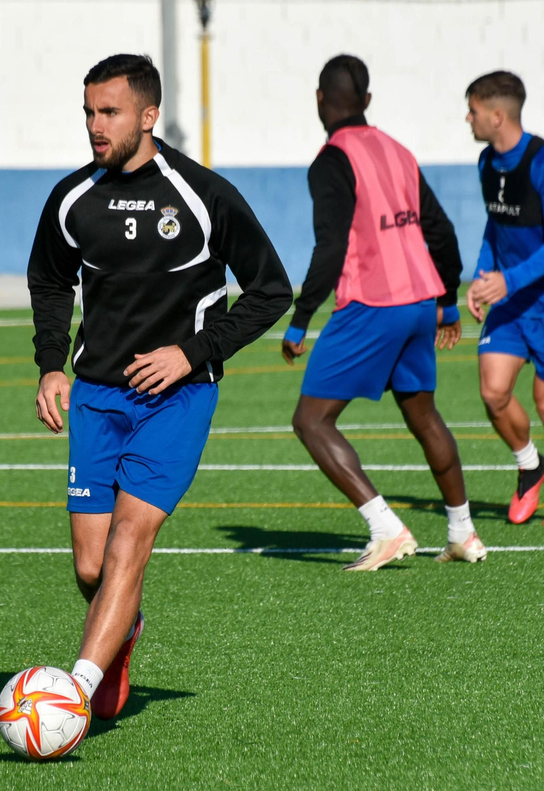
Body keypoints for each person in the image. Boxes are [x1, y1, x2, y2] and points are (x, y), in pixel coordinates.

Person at [27, 54, 291, 722]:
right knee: (91, 568)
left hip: (177, 399)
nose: (94, 124)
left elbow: (270, 292)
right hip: (95, 397)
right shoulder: (72, 198)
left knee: (128, 541)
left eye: (108, 112)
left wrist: (192, 353)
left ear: (148, 116)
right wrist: (51, 363)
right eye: (88, 111)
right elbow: (52, 281)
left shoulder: (203, 194)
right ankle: (122, 632)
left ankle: (74, 695)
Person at [282, 55, 476, 571]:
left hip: (372, 305)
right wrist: (447, 300)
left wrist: (301, 319)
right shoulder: (398, 150)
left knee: (311, 420)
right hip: (419, 304)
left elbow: (330, 247)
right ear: (367, 102)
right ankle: (463, 532)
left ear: (320, 100)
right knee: (423, 415)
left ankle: (385, 527)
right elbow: (442, 231)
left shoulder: (330, 160)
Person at [464, 71, 544, 527]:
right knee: (493, 392)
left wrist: (507, 280)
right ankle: (529, 465)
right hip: (513, 299)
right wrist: (482, 277)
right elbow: (494, 226)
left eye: (473, 111)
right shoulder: (485, 163)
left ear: (497, 116)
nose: (468, 119)